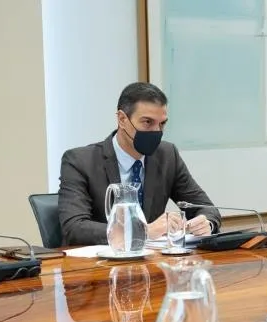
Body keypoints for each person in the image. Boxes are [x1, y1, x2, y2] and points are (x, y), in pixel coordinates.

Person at [58, 82, 221, 246]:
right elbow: (74, 228)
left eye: (162, 124)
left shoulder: (167, 155)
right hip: (99, 265)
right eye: (148, 122)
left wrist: (206, 223)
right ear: (122, 119)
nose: (157, 131)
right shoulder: (79, 161)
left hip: (152, 263)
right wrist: (143, 231)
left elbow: (206, 208)